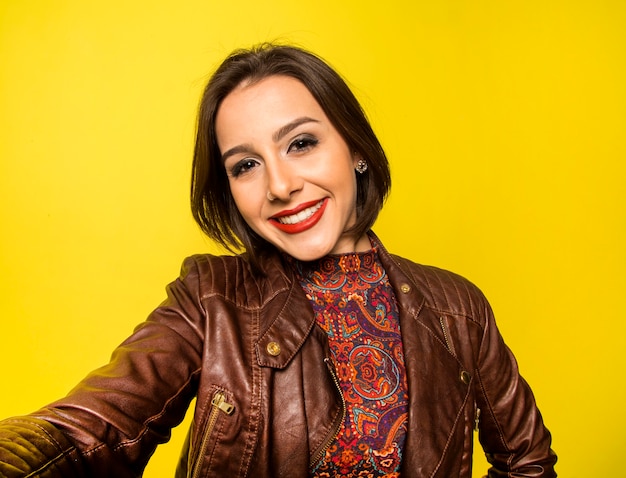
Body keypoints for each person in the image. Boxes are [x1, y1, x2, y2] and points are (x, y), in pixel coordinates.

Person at [0, 43, 557, 477]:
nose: (281, 186)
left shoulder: (458, 308)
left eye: (300, 143)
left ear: (355, 149)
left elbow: (527, 463)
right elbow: (85, 434)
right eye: (246, 165)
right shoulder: (209, 298)